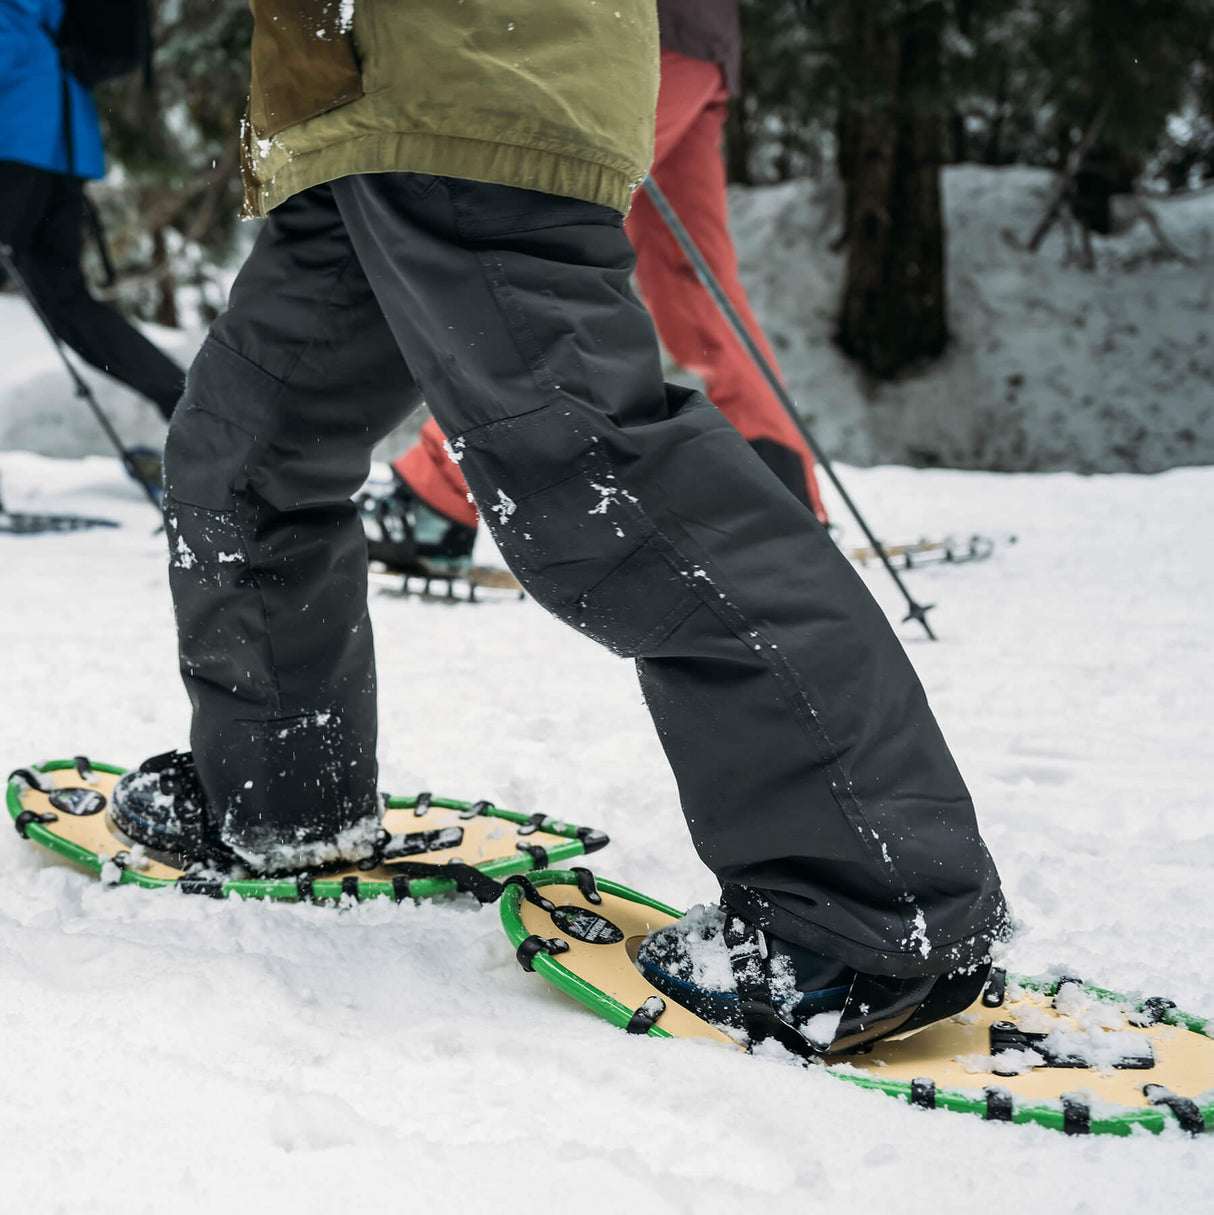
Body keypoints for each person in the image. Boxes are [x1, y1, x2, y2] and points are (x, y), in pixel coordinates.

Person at [110, 0, 1007, 1053]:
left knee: (595, 484)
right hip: (349, 110)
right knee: (244, 453)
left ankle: (867, 914)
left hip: (469, 69)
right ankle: (279, 800)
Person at [368, 0, 828, 580]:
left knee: (542, 244)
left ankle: (436, 499)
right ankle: (776, 482)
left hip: (629, 40)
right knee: (693, 278)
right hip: (699, 45)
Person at [0, 0, 185, 427]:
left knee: (64, 299)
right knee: (67, 300)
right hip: (61, 139)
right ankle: (196, 411)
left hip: (15, 133)